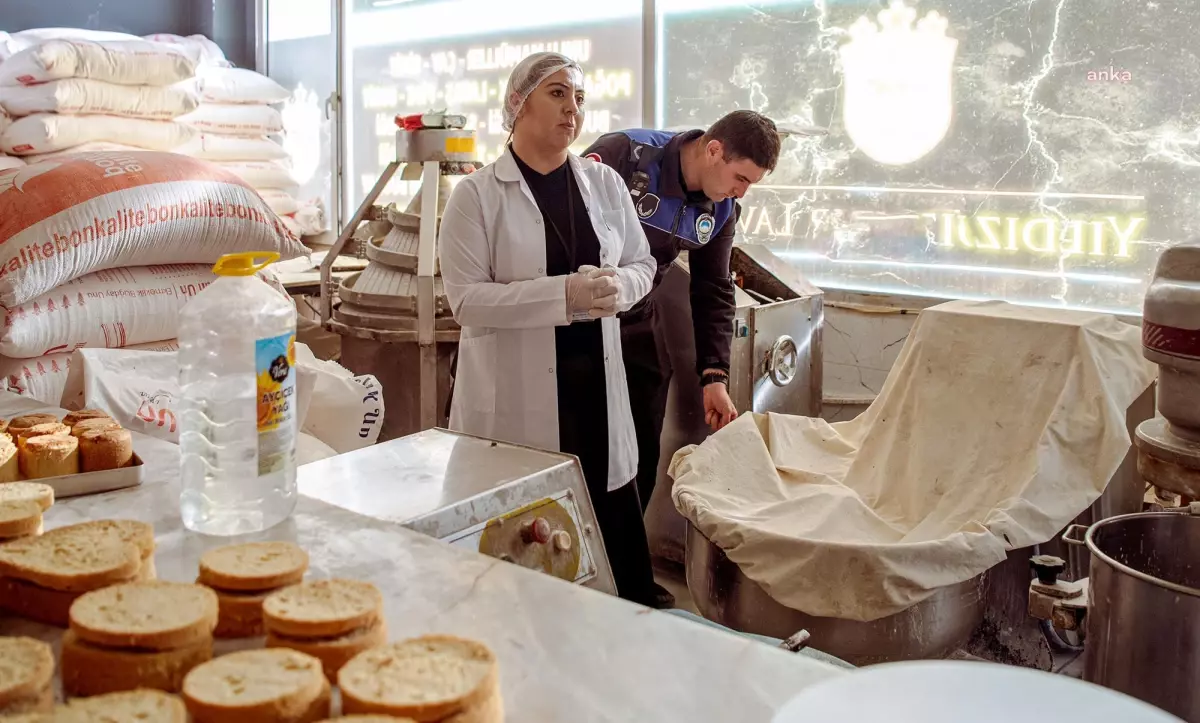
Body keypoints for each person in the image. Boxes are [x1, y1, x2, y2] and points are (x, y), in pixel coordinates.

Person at [438, 52, 662, 607]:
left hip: (596, 395)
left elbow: (643, 262)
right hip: (518, 401)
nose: (572, 109)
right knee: (529, 560)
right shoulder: (477, 196)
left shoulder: (603, 184)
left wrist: (620, 290)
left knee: (615, 555)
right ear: (518, 104)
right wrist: (564, 295)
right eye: (557, 94)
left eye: (579, 98)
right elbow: (466, 300)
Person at [582, 112, 782, 515]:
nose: (741, 193)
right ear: (714, 150)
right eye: (740, 178)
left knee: (639, 453)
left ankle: (628, 568)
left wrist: (714, 375)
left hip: (638, 319)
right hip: (581, 321)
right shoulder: (625, 155)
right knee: (583, 445)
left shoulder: (721, 210)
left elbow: (713, 288)